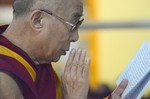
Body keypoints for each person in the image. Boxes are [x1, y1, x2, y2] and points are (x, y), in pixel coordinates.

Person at [0, 0, 128, 99]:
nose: (75, 37)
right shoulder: (5, 82)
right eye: (73, 25)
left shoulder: (38, 62)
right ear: (38, 20)